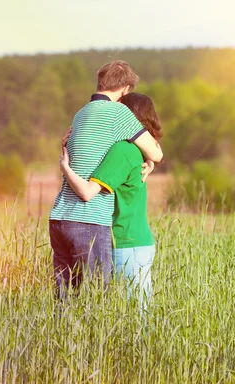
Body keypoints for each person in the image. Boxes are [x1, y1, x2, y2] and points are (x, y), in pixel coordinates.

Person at [49, 60, 163, 299]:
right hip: (89, 220)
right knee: (95, 301)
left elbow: (77, 147)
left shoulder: (81, 114)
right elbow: (157, 153)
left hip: (59, 217)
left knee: (65, 299)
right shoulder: (120, 113)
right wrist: (150, 160)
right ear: (125, 89)